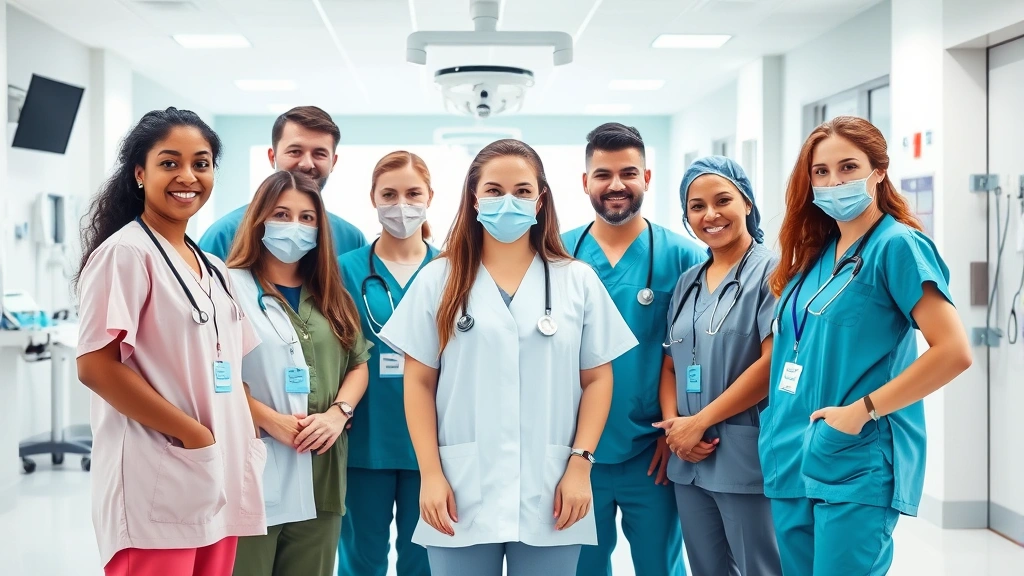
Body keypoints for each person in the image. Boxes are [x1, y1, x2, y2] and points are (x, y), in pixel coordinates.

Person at [376, 139, 638, 576]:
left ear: (540, 200)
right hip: (459, 487)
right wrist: (431, 474)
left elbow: (597, 380)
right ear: (474, 199)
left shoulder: (577, 280)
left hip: (551, 486)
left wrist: (580, 465)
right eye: (494, 190)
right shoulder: (438, 279)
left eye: (521, 190)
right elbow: (418, 382)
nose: (507, 201)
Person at [759, 116, 972, 576]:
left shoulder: (897, 246)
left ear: (878, 172)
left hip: (854, 459)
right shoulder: (816, 255)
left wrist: (863, 410)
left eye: (848, 167)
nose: (834, 181)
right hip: (791, 453)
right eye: (821, 172)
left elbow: (953, 351)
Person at [75, 107, 267, 576]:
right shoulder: (125, 253)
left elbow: (228, 364)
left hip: (214, 473)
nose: (188, 176)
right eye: (169, 162)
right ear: (139, 173)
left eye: (201, 163)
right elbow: (96, 367)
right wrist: (193, 434)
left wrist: (246, 430)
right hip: (161, 469)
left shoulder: (214, 268)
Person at [561, 122, 703, 576]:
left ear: (647, 177)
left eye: (628, 172)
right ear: (585, 182)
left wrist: (675, 430)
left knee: (659, 565)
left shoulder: (685, 257)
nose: (616, 184)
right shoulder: (557, 254)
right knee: (582, 568)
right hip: (576, 450)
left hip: (653, 450)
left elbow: (696, 354)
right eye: (602, 174)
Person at [225, 170, 371, 576]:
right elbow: (211, 376)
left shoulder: (330, 293)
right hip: (253, 470)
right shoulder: (226, 287)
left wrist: (337, 414)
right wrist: (271, 421)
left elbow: (359, 363)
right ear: (259, 220)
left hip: (320, 471)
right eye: (282, 214)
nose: (296, 227)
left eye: (307, 218)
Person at [653, 156, 782, 576]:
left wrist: (699, 422)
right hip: (689, 459)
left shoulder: (774, 273)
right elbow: (670, 364)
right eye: (696, 206)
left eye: (722, 199)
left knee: (759, 567)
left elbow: (771, 365)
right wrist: (676, 428)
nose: (710, 214)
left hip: (743, 456)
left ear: (746, 202)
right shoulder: (689, 281)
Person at [337, 151, 440, 576]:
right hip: (365, 437)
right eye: (390, 194)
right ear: (373, 199)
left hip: (431, 446)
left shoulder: (451, 270)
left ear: (430, 196)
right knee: (362, 561)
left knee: (426, 563)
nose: (402, 204)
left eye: (413, 193)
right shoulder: (344, 269)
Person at [198, 106, 367, 260]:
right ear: (272, 157)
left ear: (333, 162)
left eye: (320, 153)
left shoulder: (351, 240)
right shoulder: (224, 235)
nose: (307, 164)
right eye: (295, 151)